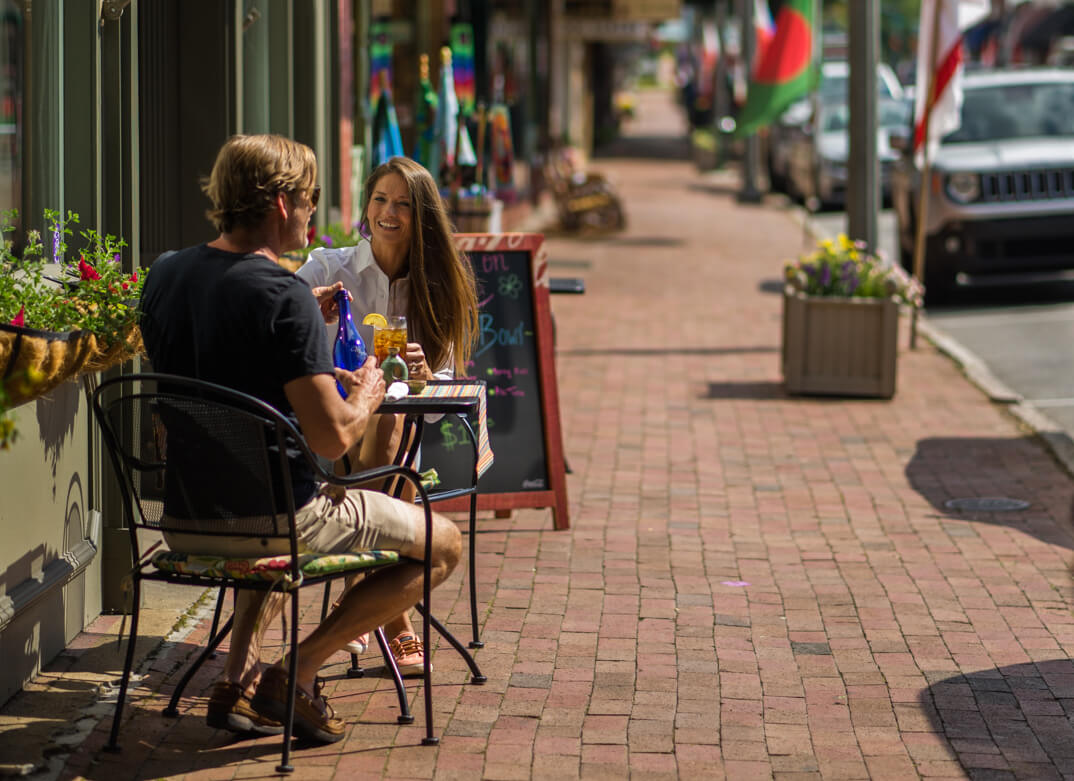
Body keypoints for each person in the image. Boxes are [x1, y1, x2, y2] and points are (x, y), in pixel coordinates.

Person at [137, 134, 462, 744]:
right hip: (277, 518)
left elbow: (215, 360)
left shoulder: (165, 274)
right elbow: (335, 439)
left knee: (279, 504)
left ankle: (237, 679)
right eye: (311, 198)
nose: (316, 211)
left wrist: (300, 321)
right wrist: (367, 391)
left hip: (181, 518)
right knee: (444, 544)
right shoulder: (282, 296)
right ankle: (297, 670)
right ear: (282, 204)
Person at [296, 155, 478, 674]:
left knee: (392, 419)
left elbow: (444, 385)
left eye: (402, 203)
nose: (388, 212)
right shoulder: (331, 269)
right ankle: (392, 619)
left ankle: (358, 592)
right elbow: (278, 324)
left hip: (394, 446)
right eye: (379, 199)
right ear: (365, 207)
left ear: (421, 216)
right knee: (382, 421)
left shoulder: (437, 283)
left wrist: (424, 374)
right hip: (327, 436)